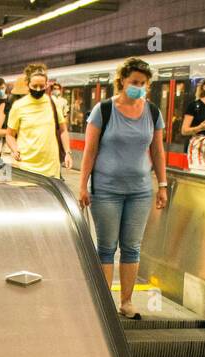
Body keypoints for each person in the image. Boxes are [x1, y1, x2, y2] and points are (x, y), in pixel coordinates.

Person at [78, 57, 167, 319]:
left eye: (143, 83)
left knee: (132, 246)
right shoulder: (103, 110)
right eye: (134, 82)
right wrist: (83, 185)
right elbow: (90, 151)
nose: (139, 87)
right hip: (106, 189)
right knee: (106, 247)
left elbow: (158, 151)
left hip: (140, 190)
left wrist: (162, 184)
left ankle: (126, 302)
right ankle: (105, 303)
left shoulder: (152, 112)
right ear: (122, 82)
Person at [5, 63, 71, 177]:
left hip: (51, 169)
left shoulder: (54, 103)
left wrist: (68, 153)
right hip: (25, 167)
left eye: (42, 86)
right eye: (34, 86)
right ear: (28, 84)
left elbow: (63, 130)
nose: (38, 89)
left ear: (46, 85)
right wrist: (15, 149)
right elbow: (9, 135)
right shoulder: (19, 106)